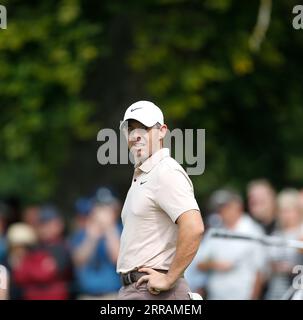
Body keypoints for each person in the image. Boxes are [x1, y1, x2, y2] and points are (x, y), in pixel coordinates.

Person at [117, 100, 204, 300]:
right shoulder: (144, 173)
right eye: (130, 129)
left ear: (162, 131)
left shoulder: (165, 170)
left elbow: (193, 227)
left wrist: (168, 279)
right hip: (138, 290)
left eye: (144, 128)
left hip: (155, 292)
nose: (135, 135)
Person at [197, 189, 266, 300]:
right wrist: (216, 265)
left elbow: (260, 272)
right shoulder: (216, 231)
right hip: (215, 296)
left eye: (226, 207)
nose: (221, 211)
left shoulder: (253, 231)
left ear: (238, 206)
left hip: (242, 296)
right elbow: (199, 263)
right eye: (219, 208)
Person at [70, 191, 121, 300]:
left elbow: (118, 260)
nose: (102, 211)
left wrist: (109, 229)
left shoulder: (120, 230)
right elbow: (78, 261)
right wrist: (92, 237)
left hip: (113, 295)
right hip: (87, 295)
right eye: (99, 206)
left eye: (107, 207)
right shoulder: (83, 232)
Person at [265, 189, 303, 300]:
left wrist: (291, 268)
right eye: (282, 211)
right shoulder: (275, 234)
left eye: (289, 210)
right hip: (277, 290)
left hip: (298, 290)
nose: (285, 215)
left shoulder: (301, 231)